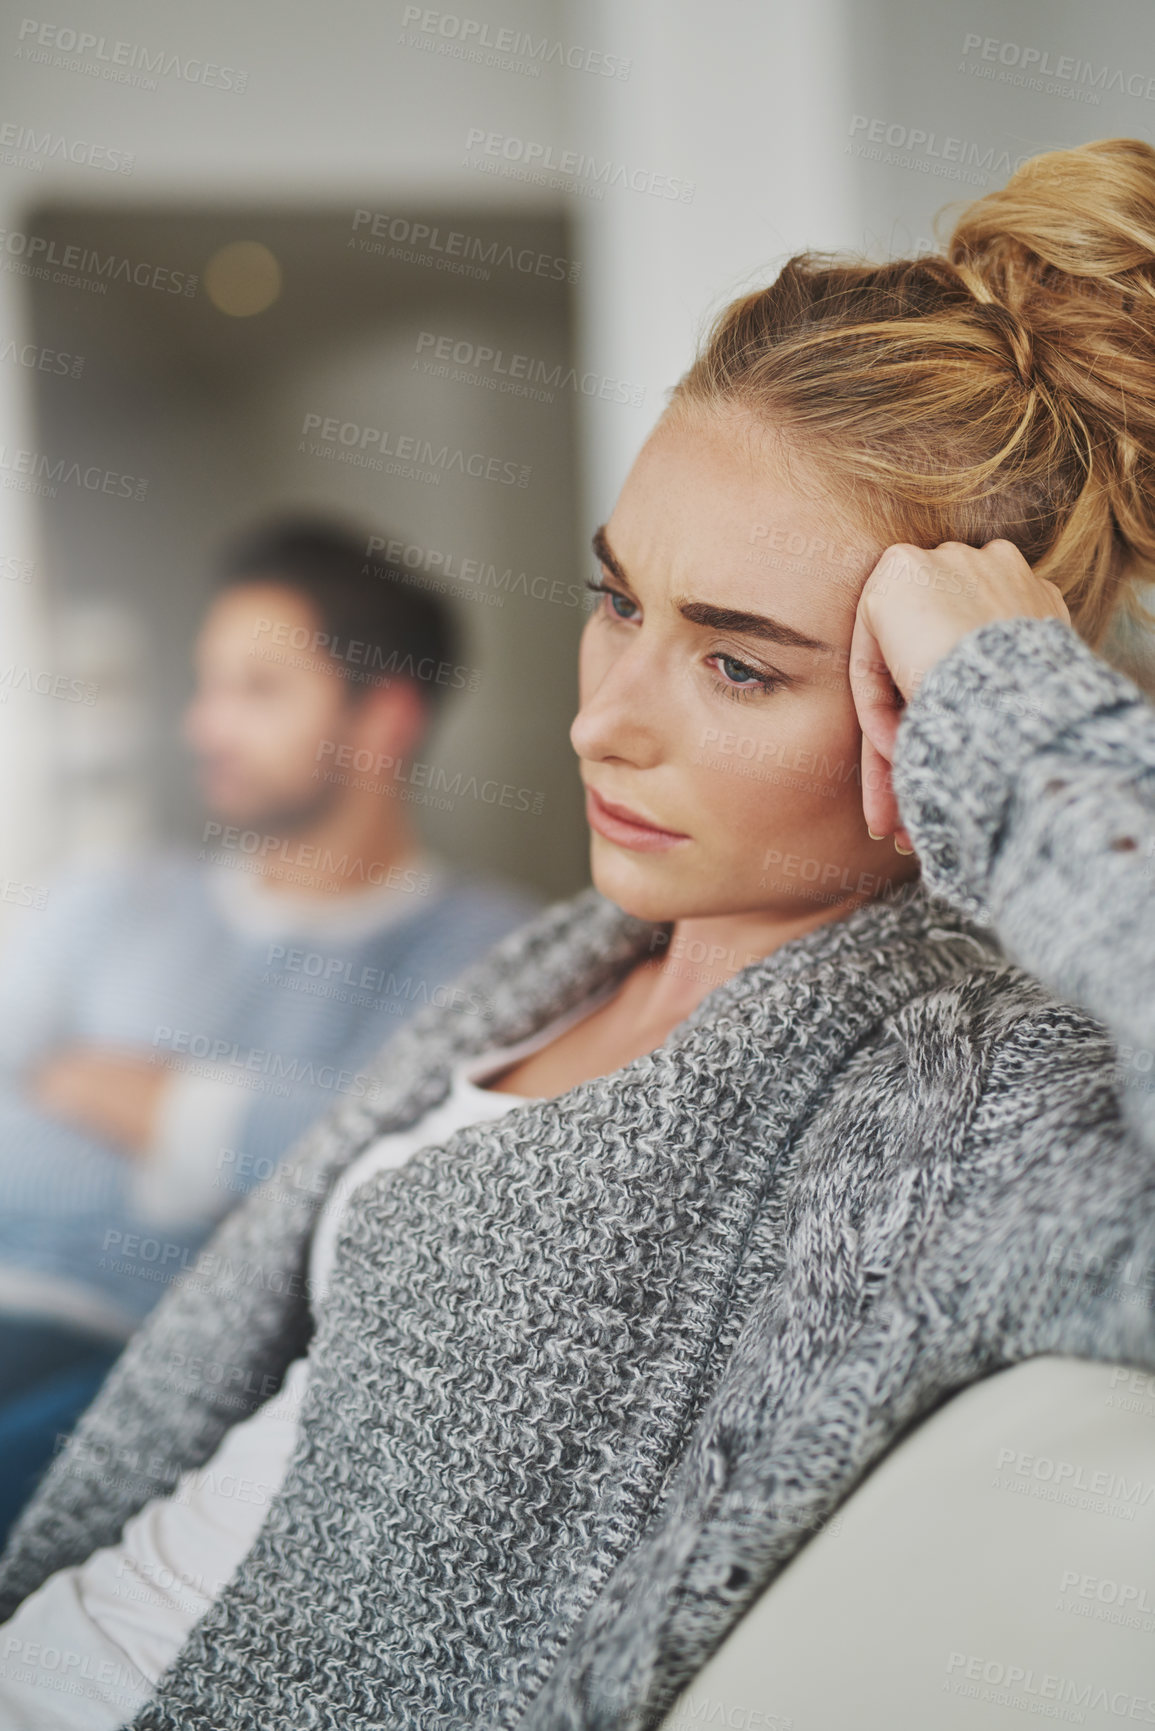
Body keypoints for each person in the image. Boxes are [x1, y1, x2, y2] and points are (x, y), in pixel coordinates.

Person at [0, 138, 1153, 1731]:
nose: (600, 722)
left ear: (924, 692)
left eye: (738, 664)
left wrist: (1016, 720)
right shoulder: (562, 955)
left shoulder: (953, 1100)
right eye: (619, 604)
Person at [0, 516, 540, 1534]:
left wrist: (149, 1098)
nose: (205, 725)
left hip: (145, 1373)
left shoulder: (489, 959)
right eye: (209, 686)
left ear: (383, 720)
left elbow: (414, 1195)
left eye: (256, 691)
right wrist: (254, 1145)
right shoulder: (105, 900)